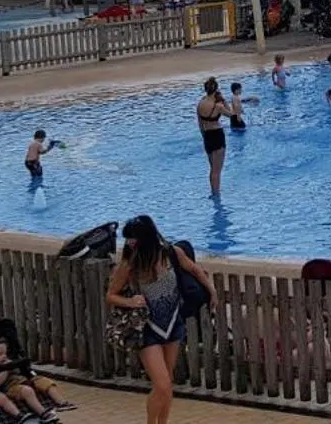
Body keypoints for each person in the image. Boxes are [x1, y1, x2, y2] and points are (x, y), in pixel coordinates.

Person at [107, 215, 214, 424]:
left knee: (166, 384)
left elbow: (193, 268)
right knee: (162, 384)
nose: (128, 243)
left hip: (173, 323)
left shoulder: (172, 253)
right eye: (127, 239)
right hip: (147, 327)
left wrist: (211, 290)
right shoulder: (130, 264)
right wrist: (131, 302)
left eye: (132, 239)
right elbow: (111, 295)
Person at [196, 77, 232, 196]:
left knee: (212, 169)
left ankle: (213, 191)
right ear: (216, 90)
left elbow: (200, 122)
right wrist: (224, 101)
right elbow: (232, 114)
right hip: (217, 135)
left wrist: (203, 136)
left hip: (207, 135)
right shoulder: (218, 106)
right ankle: (216, 195)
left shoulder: (201, 103)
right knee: (217, 171)